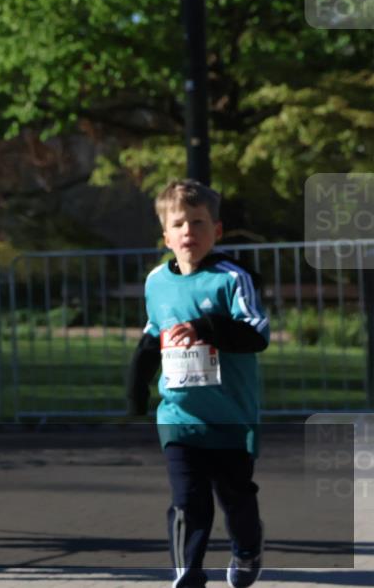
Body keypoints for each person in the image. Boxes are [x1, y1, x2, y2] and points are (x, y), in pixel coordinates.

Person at [126, 179, 268, 588]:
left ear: (217, 231)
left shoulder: (233, 279)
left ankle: (247, 548)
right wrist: (137, 386)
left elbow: (256, 334)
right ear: (166, 236)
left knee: (235, 498)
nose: (190, 231)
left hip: (230, 417)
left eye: (199, 223)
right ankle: (187, 571)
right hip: (178, 416)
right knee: (188, 500)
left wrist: (205, 327)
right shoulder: (156, 282)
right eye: (180, 224)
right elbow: (153, 336)